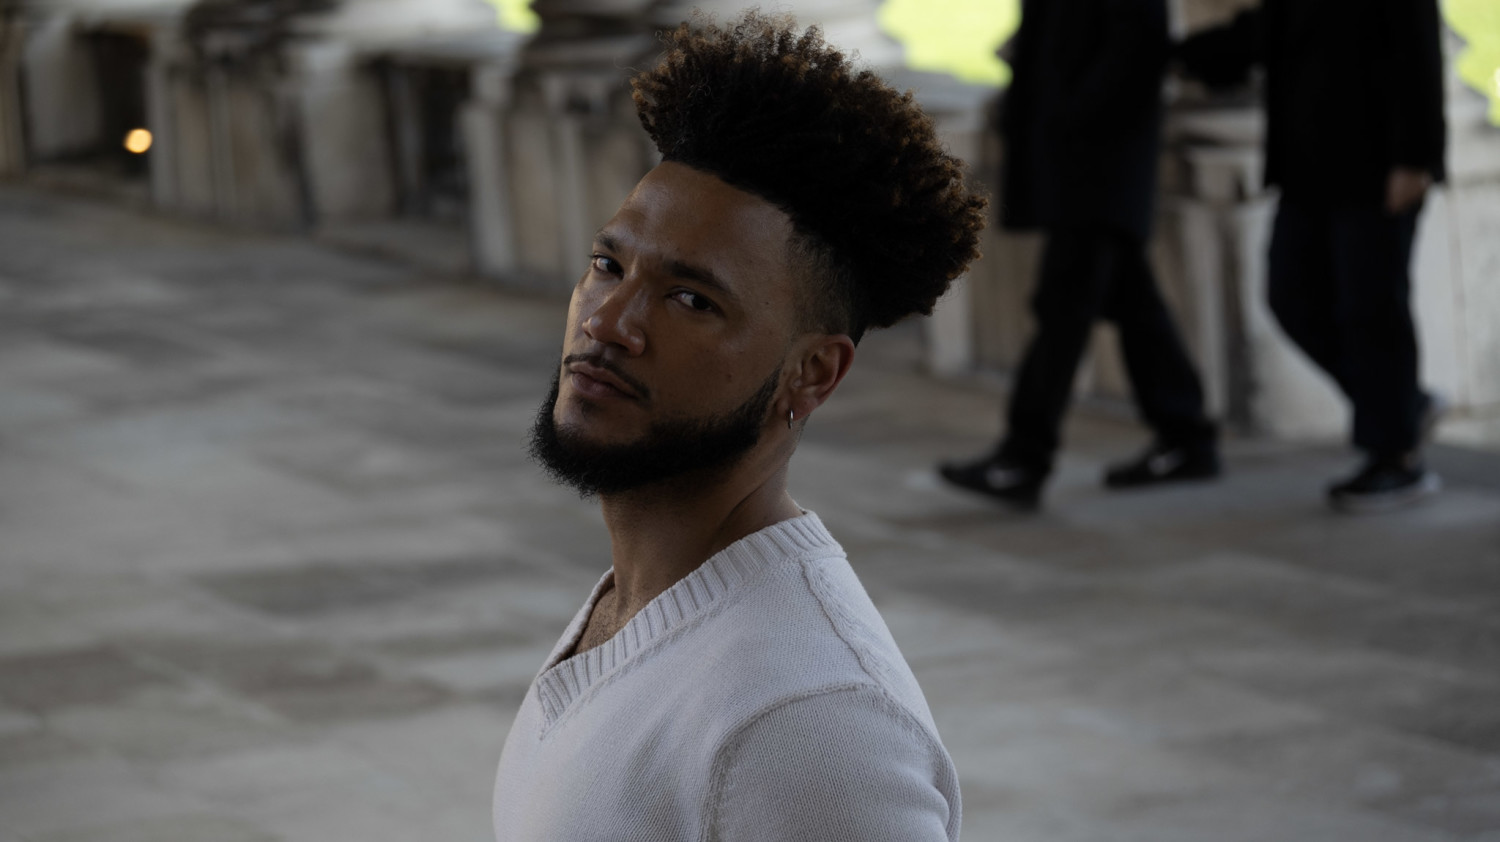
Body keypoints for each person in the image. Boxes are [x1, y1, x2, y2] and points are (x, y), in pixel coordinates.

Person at [491, 13, 987, 841]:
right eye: (609, 265)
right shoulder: (642, 600)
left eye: (691, 300)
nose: (608, 323)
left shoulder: (811, 729)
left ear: (813, 373)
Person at [937, 0, 1220, 511]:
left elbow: (1131, 51)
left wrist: (1062, 115)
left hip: (1099, 166)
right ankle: (1186, 436)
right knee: (1132, 304)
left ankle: (1025, 456)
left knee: (1063, 308)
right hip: (1081, 161)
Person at [1176, 0, 1447, 513]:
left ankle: (1395, 456)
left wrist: (1416, 157)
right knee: (1290, 296)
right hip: (1306, 166)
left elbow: (1418, 46)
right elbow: (1272, 28)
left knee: (1371, 309)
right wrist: (1178, 54)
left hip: (1375, 164)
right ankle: (1402, 407)